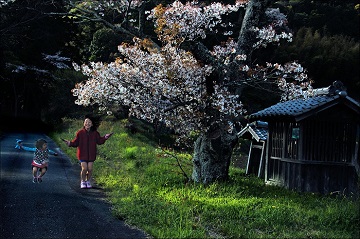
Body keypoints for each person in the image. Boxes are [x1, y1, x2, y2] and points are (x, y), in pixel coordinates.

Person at [63, 115, 113, 189]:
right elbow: (76, 142)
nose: (87, 123)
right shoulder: (80, 133)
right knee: (84, 168)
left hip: (91, 155)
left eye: (89, 122)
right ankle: (83, 181)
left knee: (90, 169)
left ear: (92, 124)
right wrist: (70, 143)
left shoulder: (95, 133)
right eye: (86, 122)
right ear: (84, 123)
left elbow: (99, 141)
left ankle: (88, 181)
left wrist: (105, 137)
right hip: (82, 154)